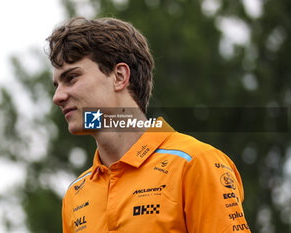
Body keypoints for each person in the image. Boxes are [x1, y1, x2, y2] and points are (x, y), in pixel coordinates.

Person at [46, 17, 251, 233]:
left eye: (71, 78)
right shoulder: (76, 194)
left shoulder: (195, 163)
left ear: (119, 76)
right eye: (57, 84)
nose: (58, 96)